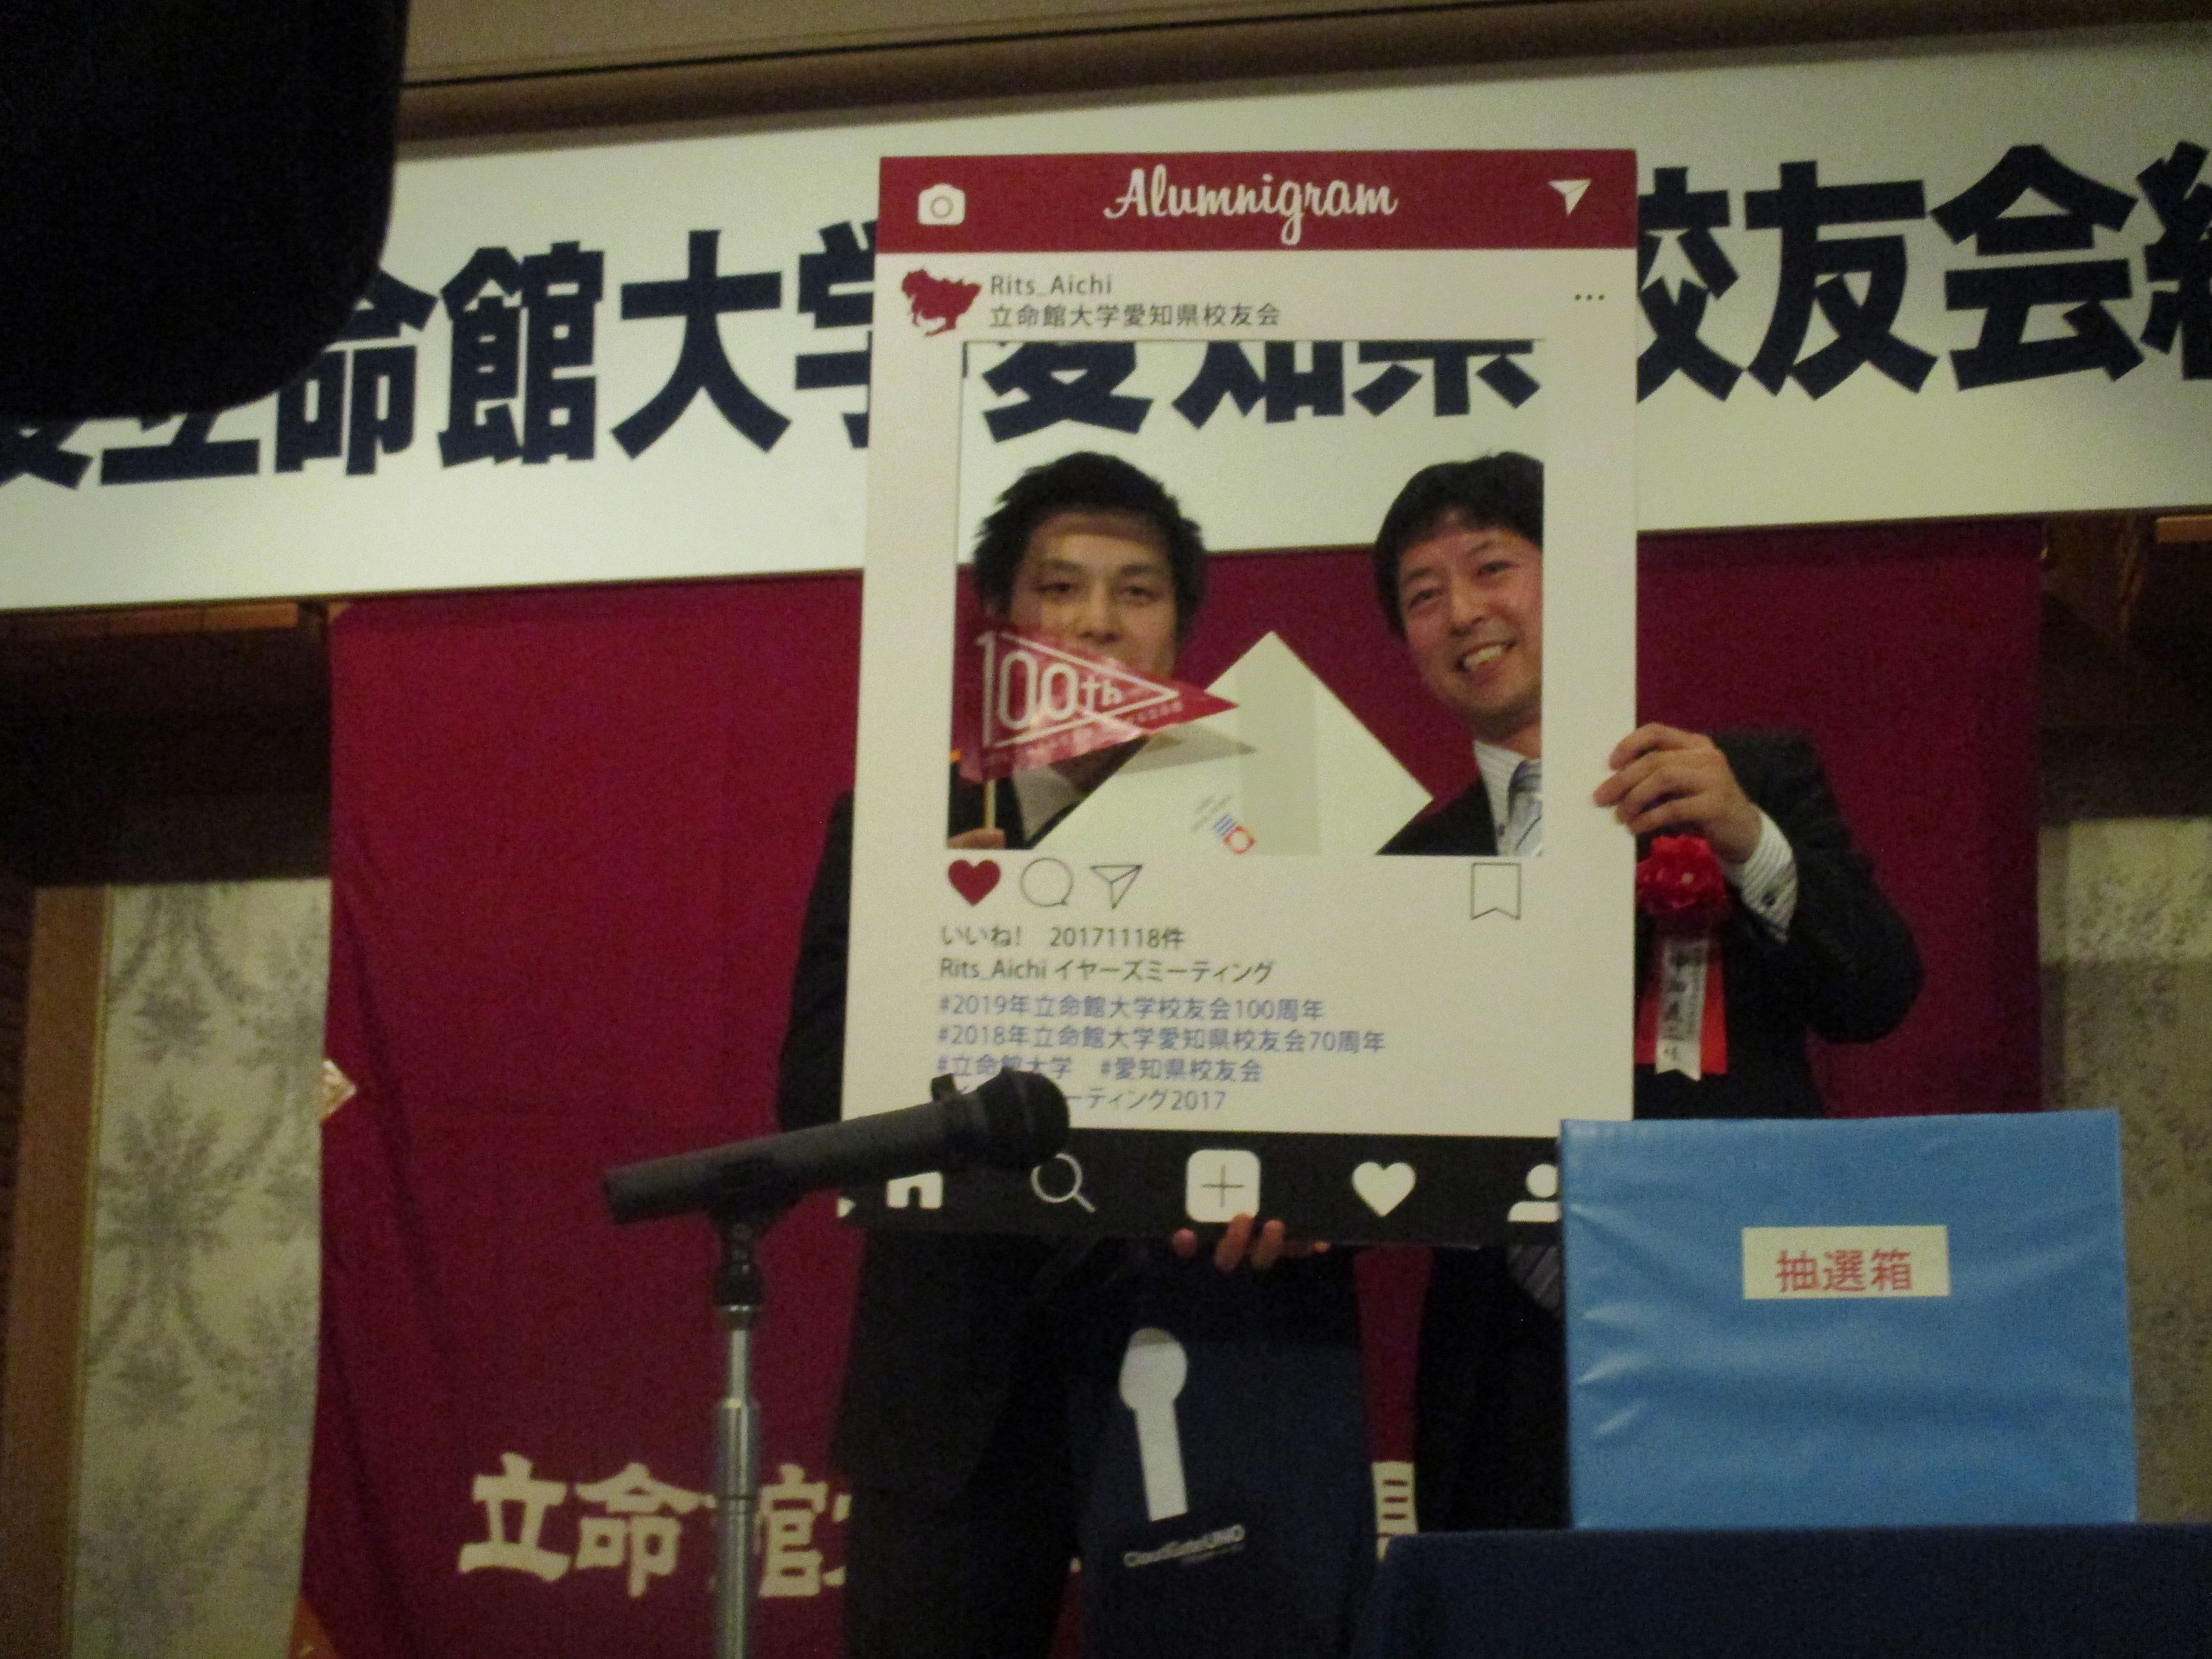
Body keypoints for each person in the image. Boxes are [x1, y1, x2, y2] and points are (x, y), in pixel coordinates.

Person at [780, 451, 1368, 1659]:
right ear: (1002, 624)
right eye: (1061, 587)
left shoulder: (1283, 831)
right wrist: (953, 978)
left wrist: (1312, 1207)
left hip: (1210, 1359)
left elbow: (1359, 1084)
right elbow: (815, 1094)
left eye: (1136, 592)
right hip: (956, 1394)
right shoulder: (903, 827)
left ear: (1181, 637)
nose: (1099, 622)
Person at [1374, 451, 1923, 1529]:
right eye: (1423, 595)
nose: (1463, 612)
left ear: (1579, 578)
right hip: (1508, 1358)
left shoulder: (1742, 779)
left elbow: (1877, 993)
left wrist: (1749, 841)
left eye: (1492, 567)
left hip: (1739, 1317)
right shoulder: (1404, 865)